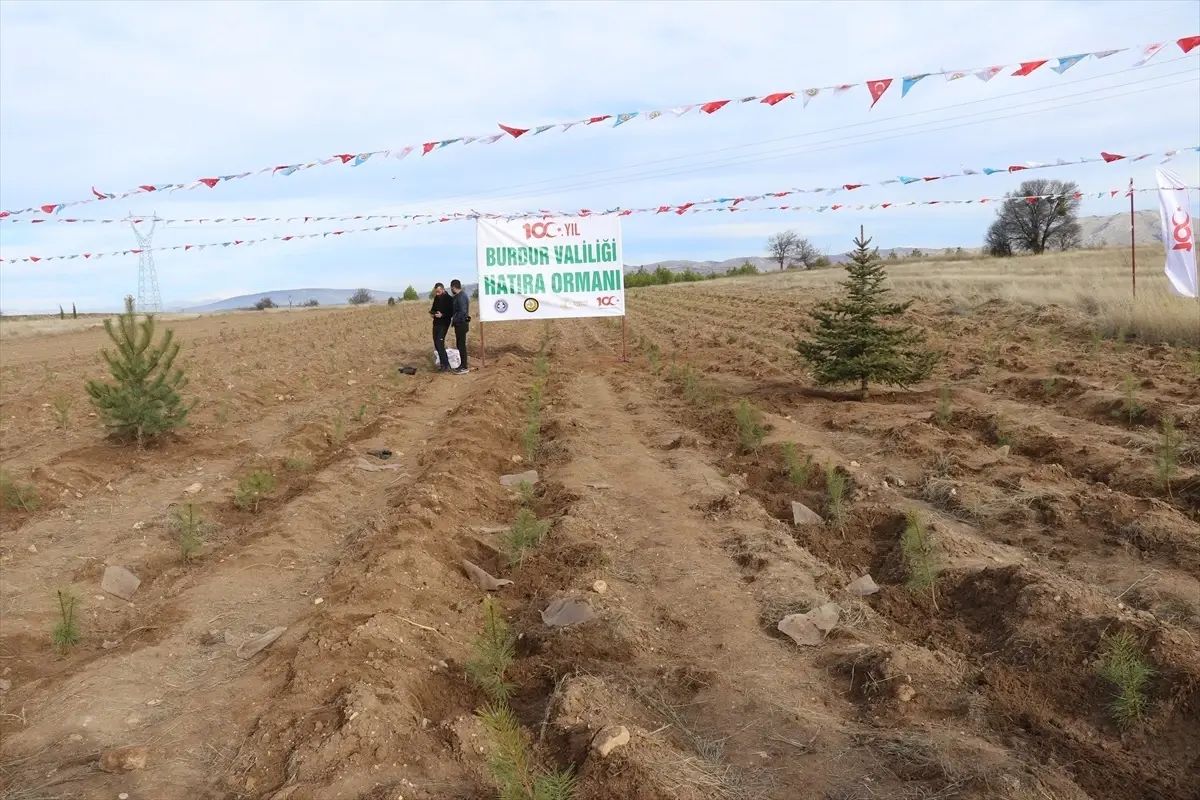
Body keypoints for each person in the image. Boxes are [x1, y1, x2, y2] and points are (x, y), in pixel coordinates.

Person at [429, 282, 453, 372]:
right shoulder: (436, 298)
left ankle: (446, 365)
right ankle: (443, 364)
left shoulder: (449, 299)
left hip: (444, 324)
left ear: (443, 289)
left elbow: (451, 313)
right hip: (436, 323)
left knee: (440, 343)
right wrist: (433, 313)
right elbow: (433, 309)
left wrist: (442, 315)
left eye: (439, 291)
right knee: (436, 344)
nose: (437, 294)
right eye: (436, 292)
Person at [449, 279, 470, 375]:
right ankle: (462, 365)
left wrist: (454, 319)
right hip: (460, 324)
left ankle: (464, 367)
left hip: (461, 324)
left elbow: (463, 311)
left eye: (451, 288)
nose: (451, 290)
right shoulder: (460, 295)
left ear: (453, 287)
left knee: (461, 346)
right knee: (460, 345)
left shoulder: (461, 297)